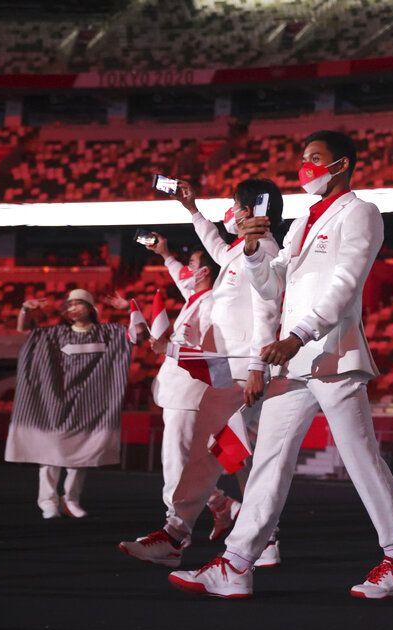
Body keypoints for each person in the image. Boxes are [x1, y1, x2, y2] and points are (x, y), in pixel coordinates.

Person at [169, 130, 393, 600]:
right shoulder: (302, 223)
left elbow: (346, 282)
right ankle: (237, 563)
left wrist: (297, 334)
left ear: (341, 164)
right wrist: (251, 253)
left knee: (361, 460)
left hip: (333, 356)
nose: (306, 166)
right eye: (303, 158)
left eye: (315, 158)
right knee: (268, 461)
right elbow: (272, 284)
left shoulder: (361, 213)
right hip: (294, 361)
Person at [118, 180, 283, 568]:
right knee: (227, 453)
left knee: (233, 452)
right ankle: (180, 534)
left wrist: (258, 367)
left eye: (237, 205)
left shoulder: (264, 252)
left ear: (254, 210)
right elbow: (217, 248)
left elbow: (266, 311)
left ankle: (193, 535)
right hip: (230, 369)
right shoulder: (239, 253)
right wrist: (191, 209)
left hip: (245, 369)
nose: (232, 212)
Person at [6, 289, 133, 518]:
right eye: (70, 304)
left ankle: (71, 499)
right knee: (49, 453)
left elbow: (140, 334)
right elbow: (24, 329)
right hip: (55, 402)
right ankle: (48, 501)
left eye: (79, 303)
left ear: (91, 308)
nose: (73, 308)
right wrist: (25, 309)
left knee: (82, 454)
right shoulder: (55, 334)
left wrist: (131, 308)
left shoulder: (108, 334)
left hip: (89, 403)